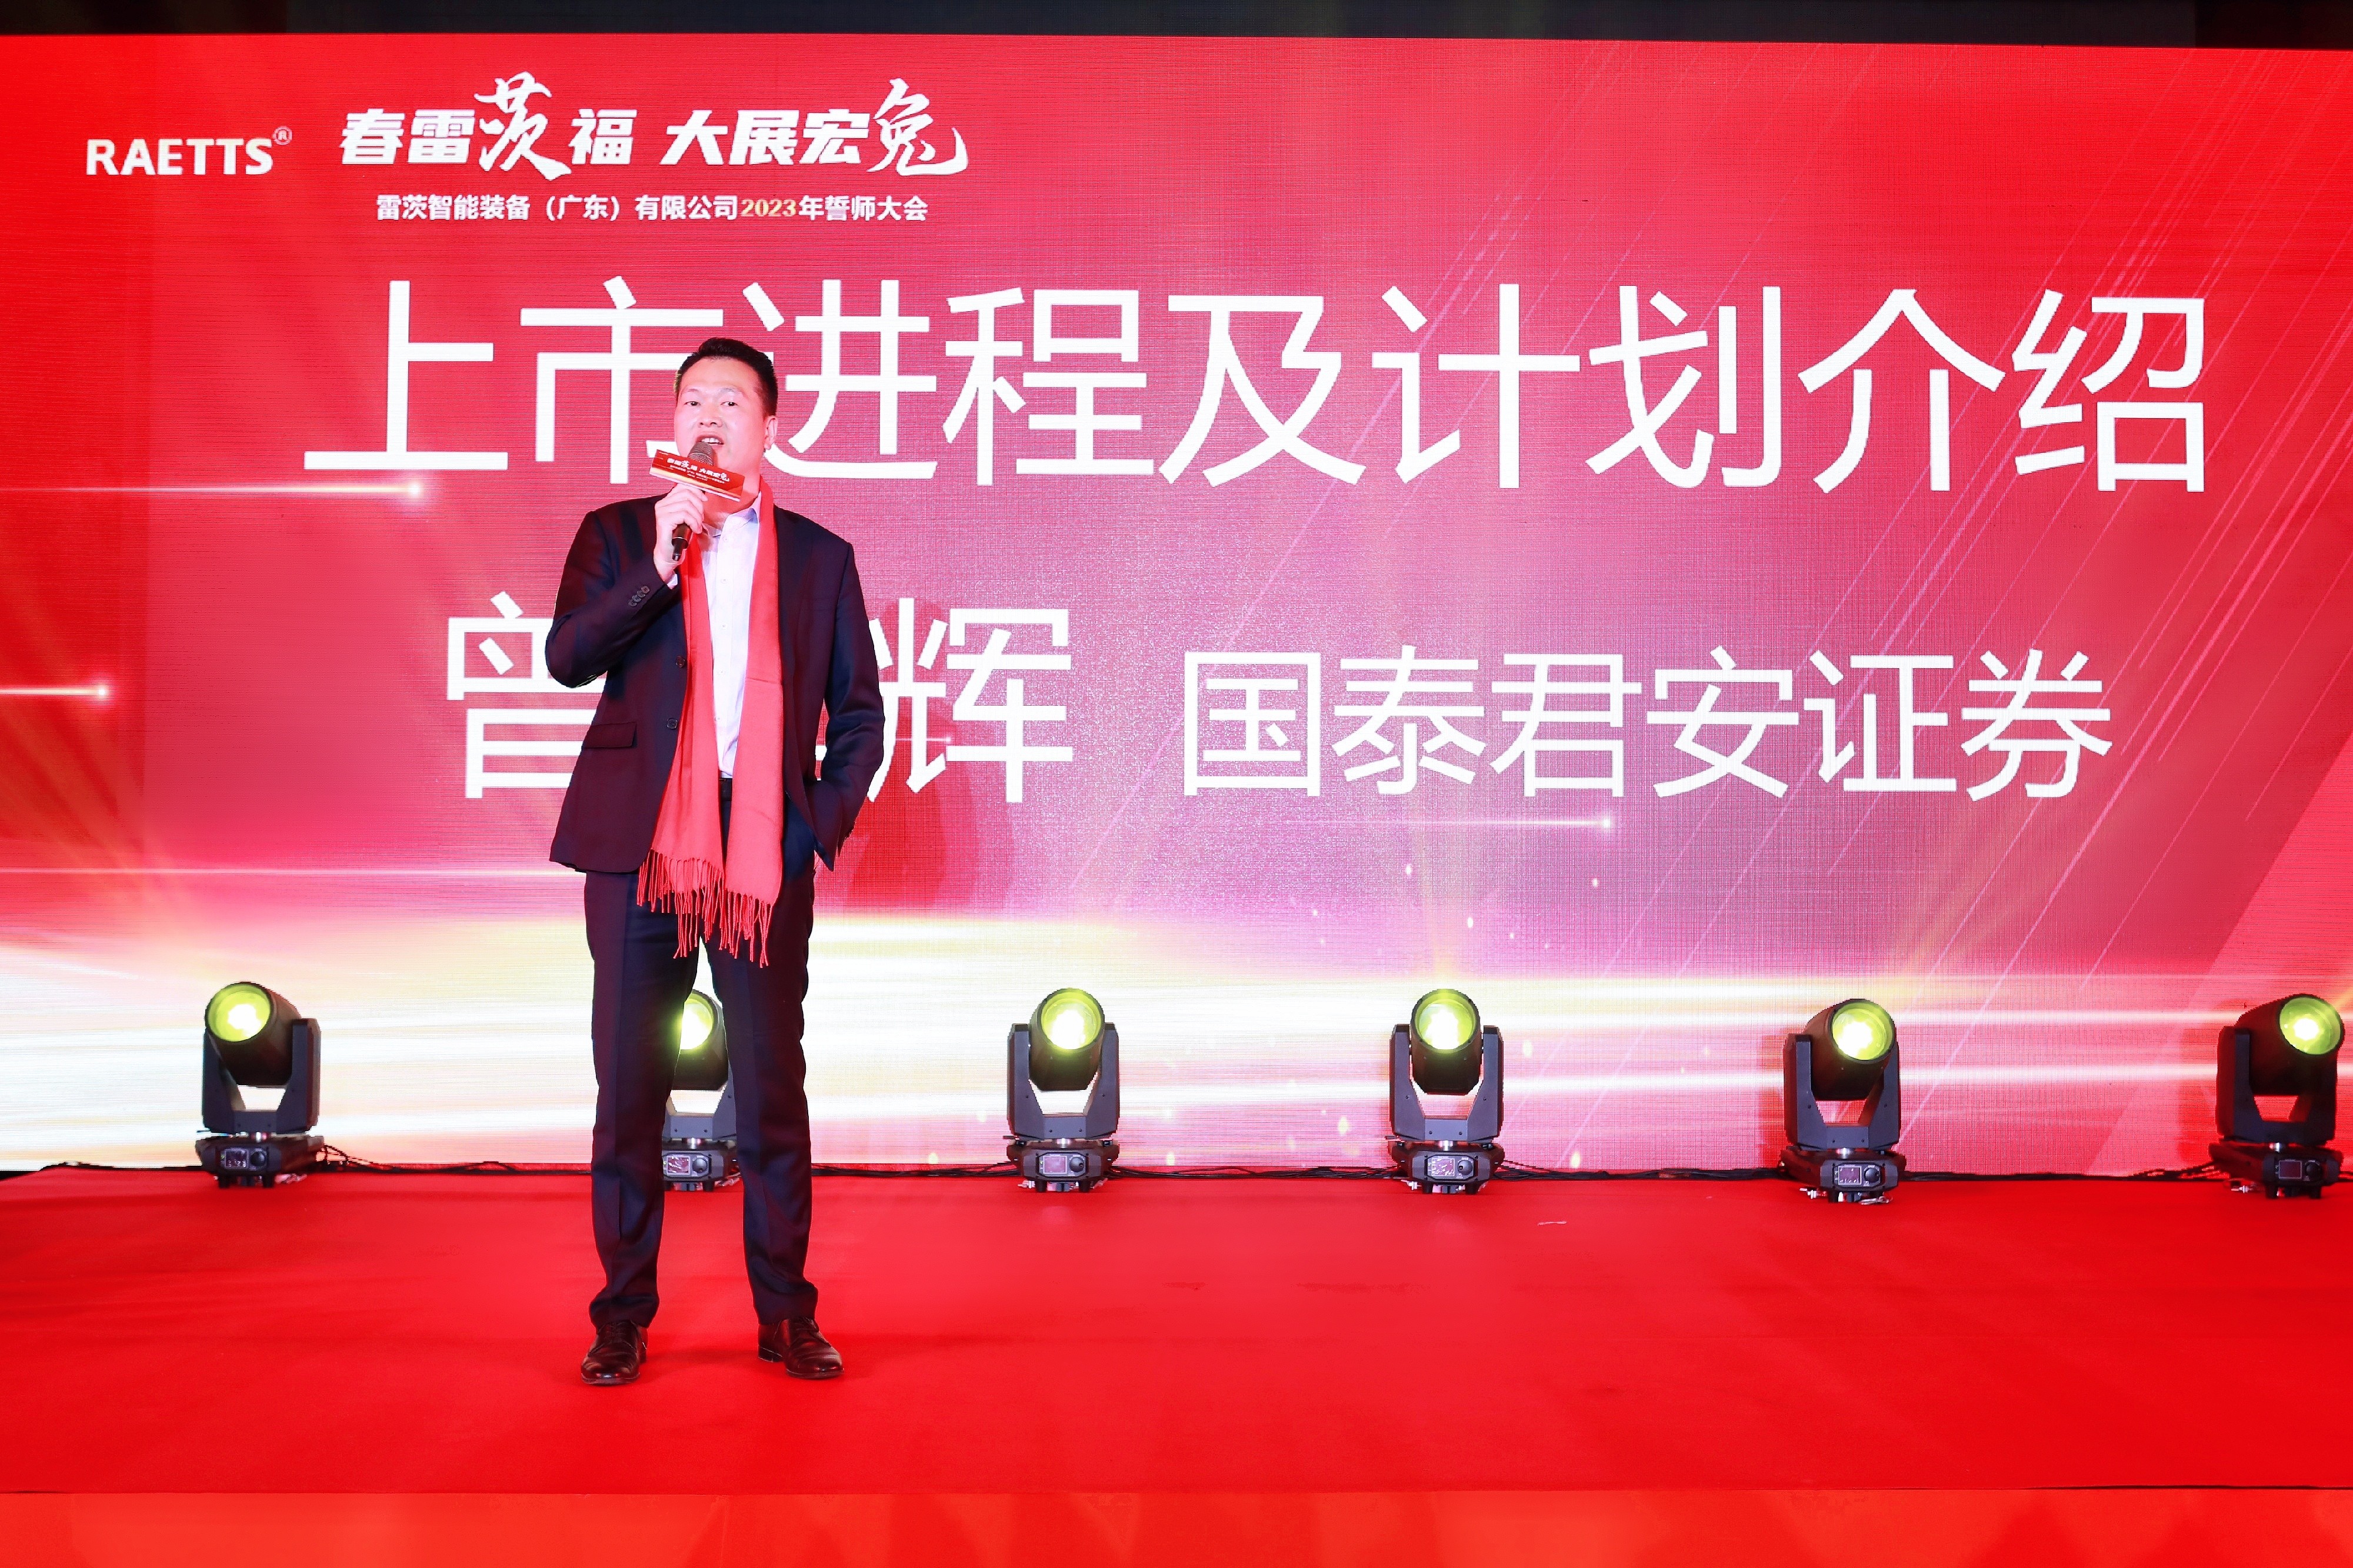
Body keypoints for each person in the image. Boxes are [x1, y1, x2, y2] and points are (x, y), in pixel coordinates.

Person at [545, 337, 884, 1386]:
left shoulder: (819, 559)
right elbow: (567, 658)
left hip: (760, 843)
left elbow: (860, 717)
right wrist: (659, 562)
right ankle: (621, 1315)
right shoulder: (621, 533)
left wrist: (808, 824)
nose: (709, 415)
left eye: (732, 402)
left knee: (771, 1084)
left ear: (769, 428)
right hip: (640, 842)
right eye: (693, 399)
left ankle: (786, 1312)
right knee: (628, 1086)